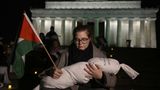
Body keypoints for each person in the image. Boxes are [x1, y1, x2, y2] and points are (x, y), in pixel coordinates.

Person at [41, 25, 117, 90]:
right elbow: (47, 72)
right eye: (77, 40)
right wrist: (51, 72)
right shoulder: (66, 54)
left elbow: (113, 81)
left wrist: (101, 76)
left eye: (84, 39)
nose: (80, 43)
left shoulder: (99, 54)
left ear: (89, 39)